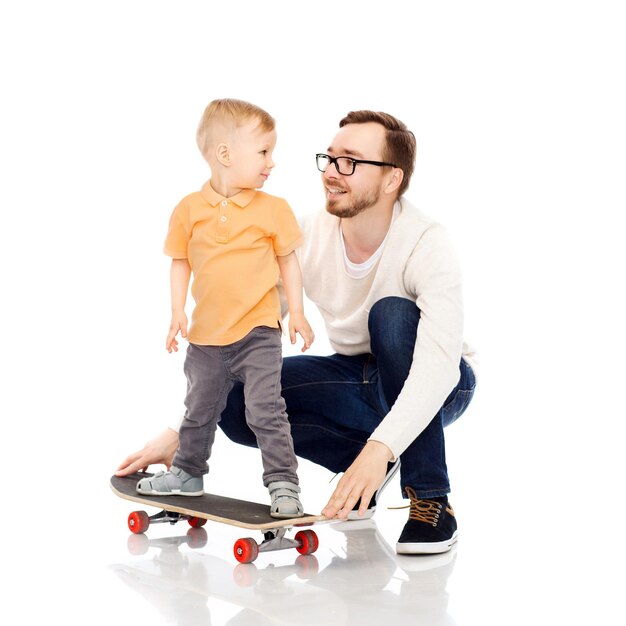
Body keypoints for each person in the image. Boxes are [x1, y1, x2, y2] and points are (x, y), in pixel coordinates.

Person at [118, 109, 477, 554]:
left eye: (350, 161)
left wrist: (380, 448)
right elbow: (240, 333)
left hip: (443, 382)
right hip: (353, 378)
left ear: (391, 180)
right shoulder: (306, 235)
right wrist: (181, 433)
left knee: (392, 316)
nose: (330, 171)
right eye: (329, 157)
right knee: (236, 400)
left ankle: (430, 500)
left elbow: (439, 369)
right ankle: (361, 464)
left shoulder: (427, 241)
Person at [133, 98, 314, 519]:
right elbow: (180, 261)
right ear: (225, 154)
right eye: (264, 152)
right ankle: (188, 473)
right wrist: (177, 312)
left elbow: (289, 260)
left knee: (266, 410)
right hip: (206, 337)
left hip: (259, 333)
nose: (272, 162)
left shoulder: (274, 209)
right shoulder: (189, 210)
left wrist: (299, 314)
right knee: (198, 411)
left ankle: (284, 484)